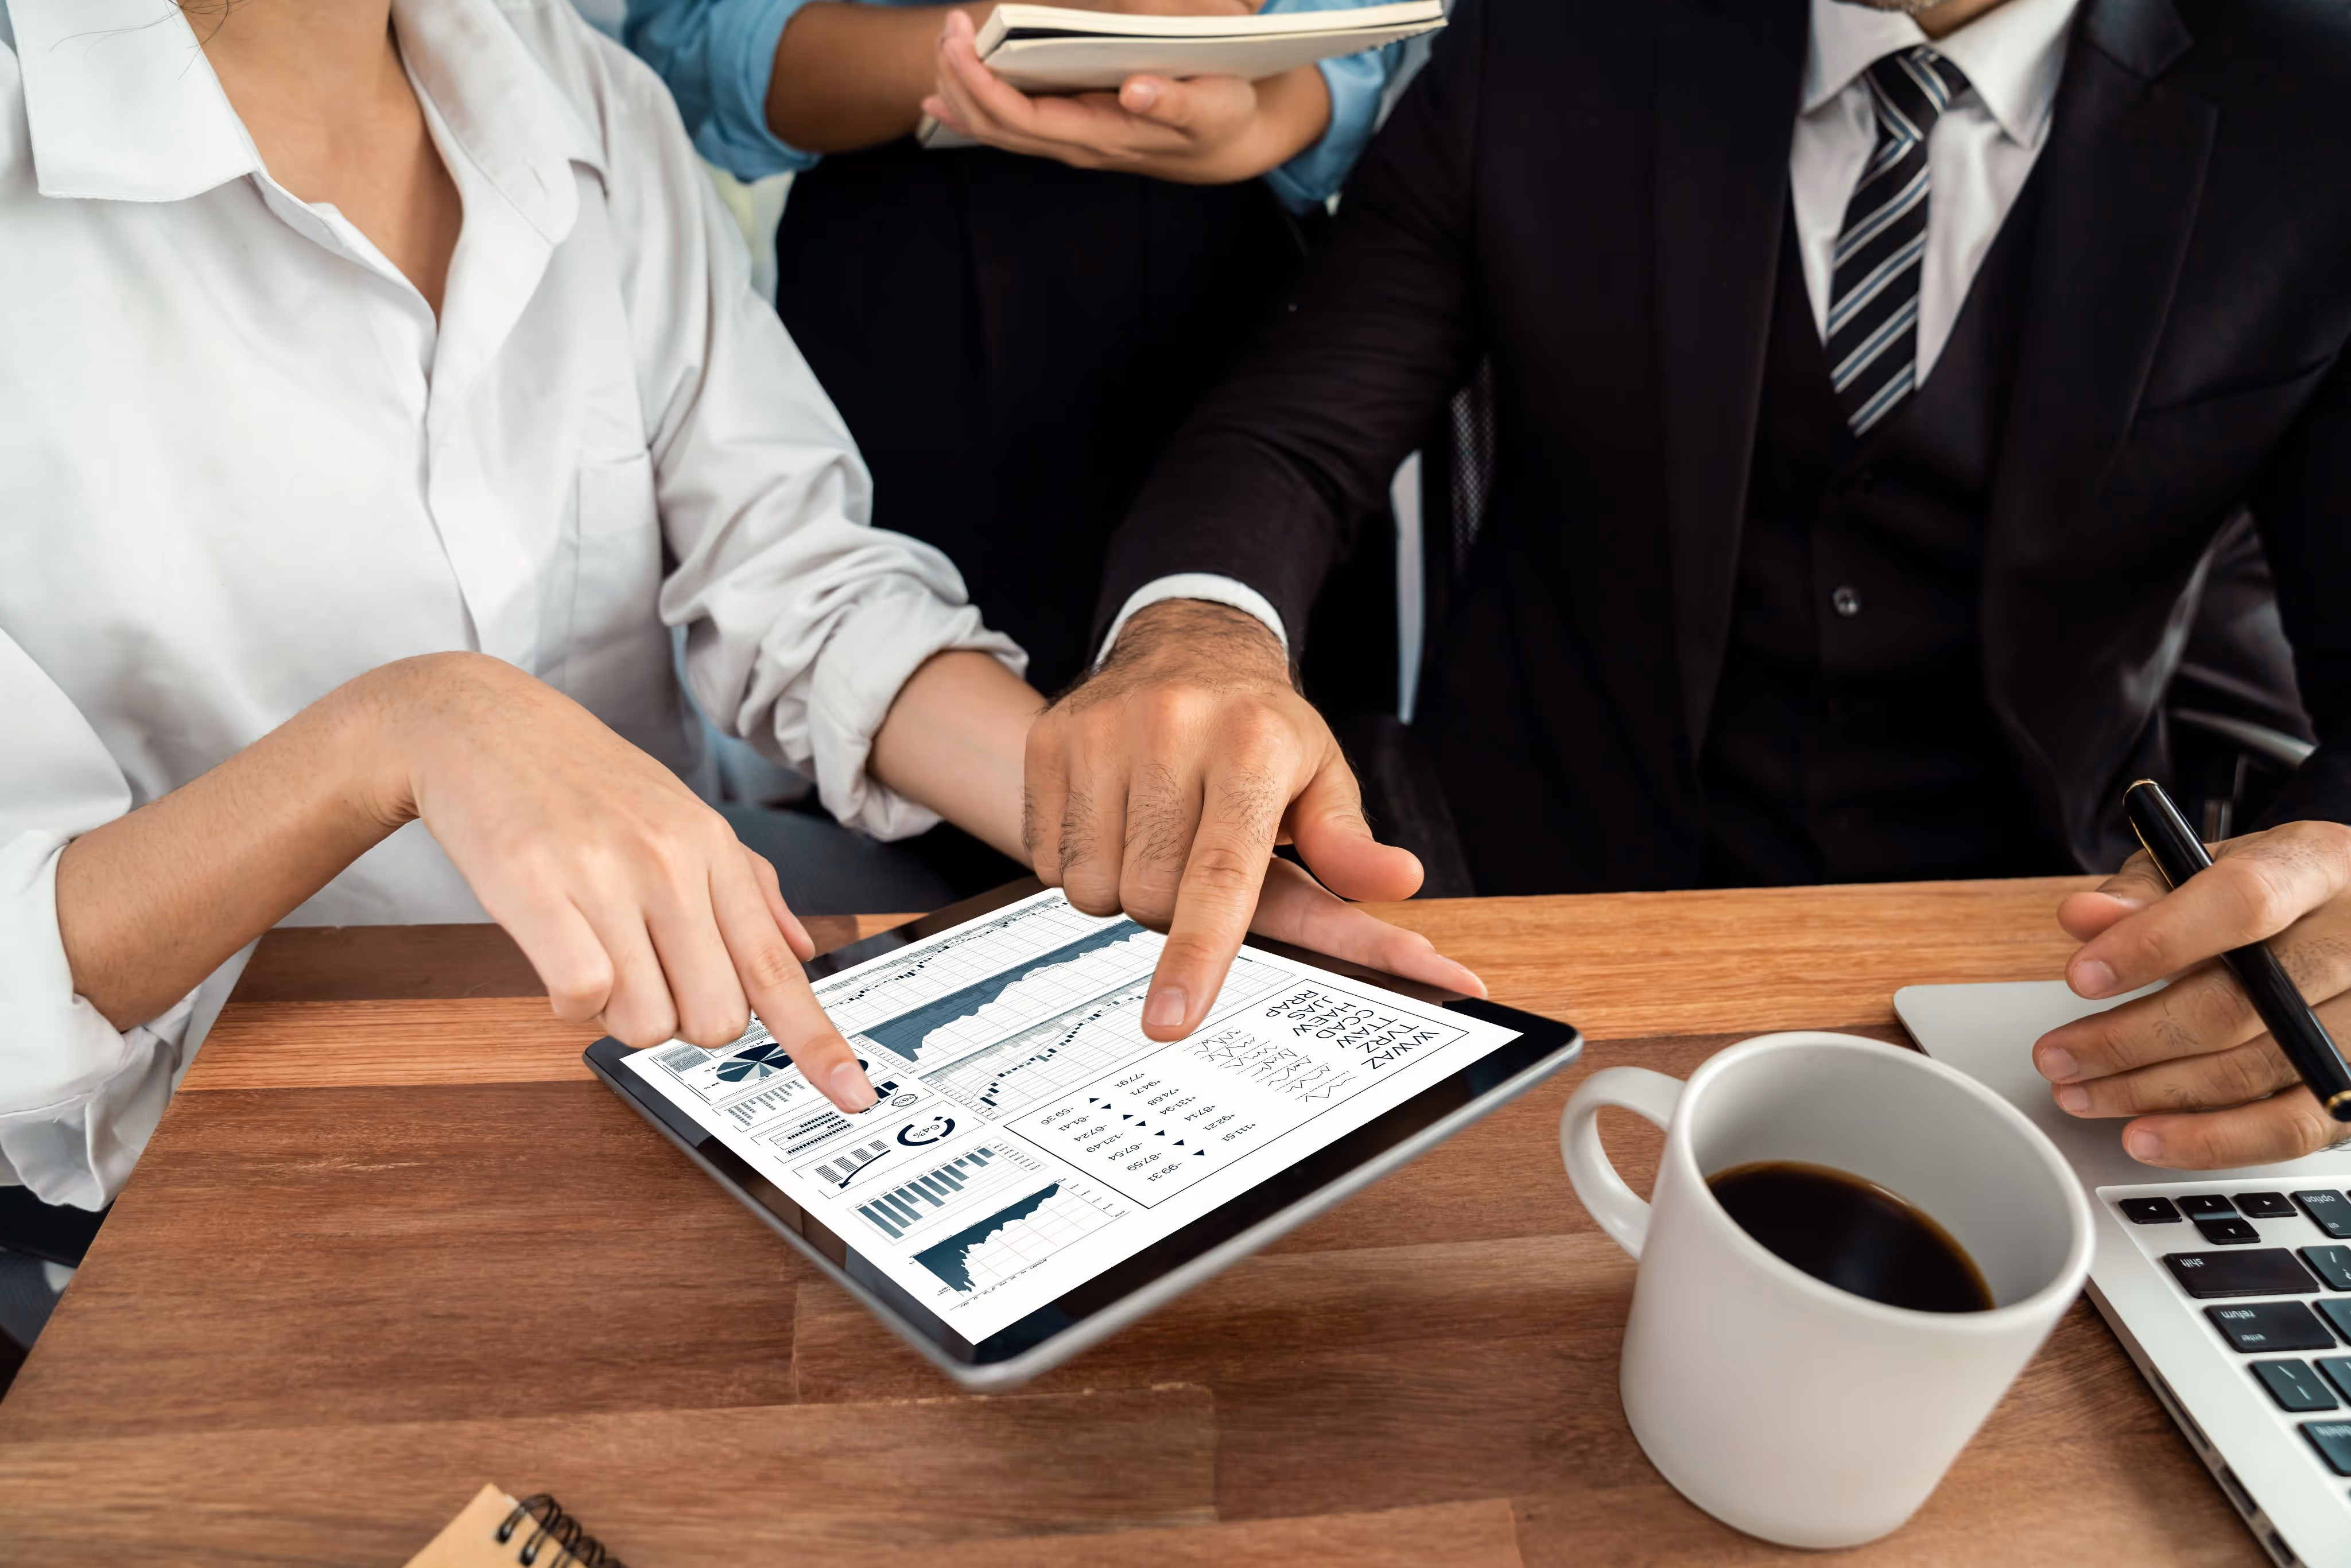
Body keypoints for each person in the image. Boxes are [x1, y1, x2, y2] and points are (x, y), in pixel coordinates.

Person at [0, 0, 1477, 1217]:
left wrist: (1129, 838)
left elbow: (800, 589)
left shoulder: (581, 96)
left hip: (686, 1058)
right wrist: (404, 728)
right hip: (241, 1159)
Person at [1018, 0, 2351, 1169]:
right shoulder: (1548, 34)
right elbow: (1291, 433)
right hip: (1533, 913)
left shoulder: (2314, 103)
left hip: (2036, 956)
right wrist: (1194, 633)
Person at [623, 0, 1419, 888]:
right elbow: (689, 44)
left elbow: (1356, 41)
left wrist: (1273, 113)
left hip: (1245, 287)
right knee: (929, 880)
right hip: (904, 286)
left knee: (1292, 816)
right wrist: (996, 37)